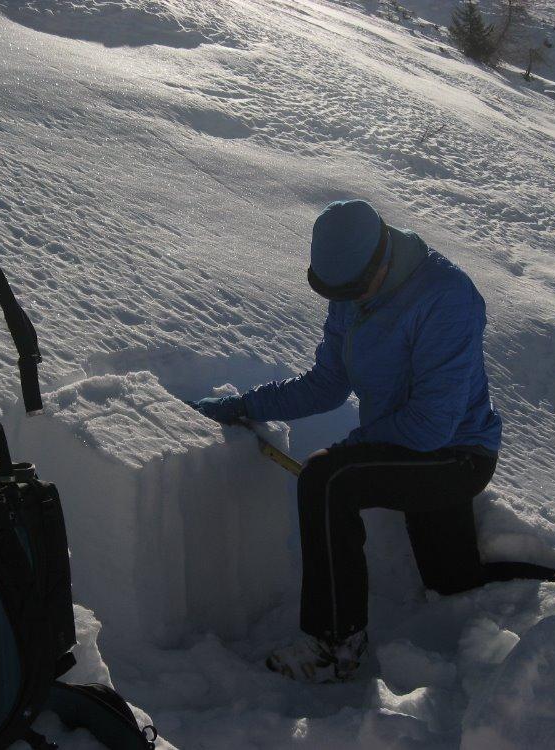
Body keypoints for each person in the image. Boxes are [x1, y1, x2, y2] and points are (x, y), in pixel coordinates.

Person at [192, 199, 503, 683]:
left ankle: (334, 644)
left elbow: (430, 425)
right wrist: (245, 406)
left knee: (328, 480)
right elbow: (327, 384)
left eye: (354, 290)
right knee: (455, 586)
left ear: (381, 258)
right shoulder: (350, 294)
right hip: (407, 449)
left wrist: (350, 452)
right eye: (335, 293)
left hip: (454, 456)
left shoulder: (446, 298)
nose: (347, 302)